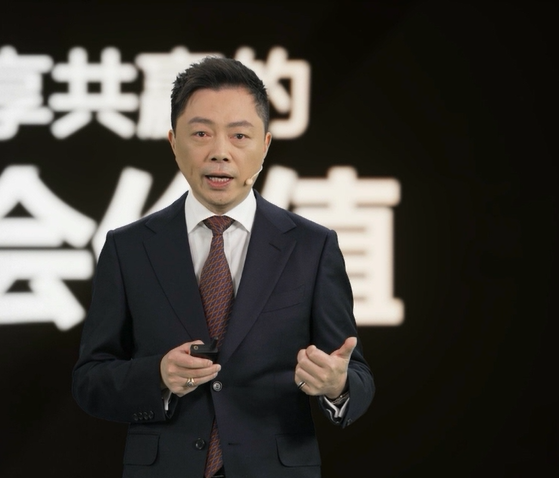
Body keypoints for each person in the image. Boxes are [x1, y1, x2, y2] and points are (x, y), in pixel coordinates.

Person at [72, 56, 374, 478]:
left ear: (265, 145)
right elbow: (90, 381)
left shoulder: (311, 246)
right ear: (173, 142)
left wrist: (336, 385)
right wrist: (156, 376)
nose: (220, 152)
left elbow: (356, 375)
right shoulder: (129, 248)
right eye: (201, 133)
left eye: (239, 135)